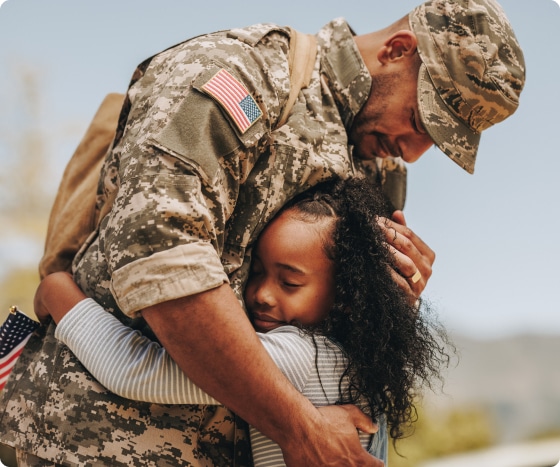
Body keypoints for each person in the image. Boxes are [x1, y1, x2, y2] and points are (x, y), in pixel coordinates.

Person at [0, 0, 524, 465]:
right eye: (419, 119)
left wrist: (396, 297)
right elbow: (165, 264)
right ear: (397, 49)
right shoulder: (240, 75)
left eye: (438, 140)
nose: (413, 151)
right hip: (99, 445)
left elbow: (340, 336)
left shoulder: (380, 169)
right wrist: (300, 429)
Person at [34, 178, 451, 467]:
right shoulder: (362, 358)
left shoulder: (299, 354)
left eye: (289, 281)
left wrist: (59, 293)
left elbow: (135, 372)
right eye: (256, 272)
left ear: (345, 296)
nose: (261, 294)